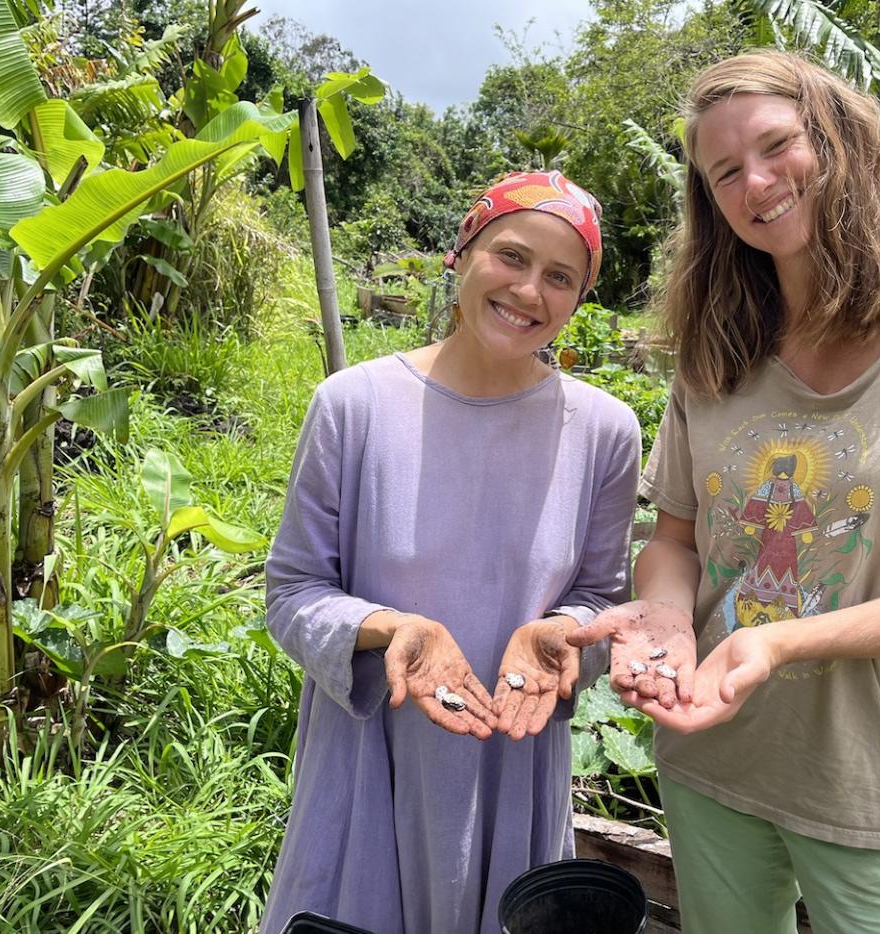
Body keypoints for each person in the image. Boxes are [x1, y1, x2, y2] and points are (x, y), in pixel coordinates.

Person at [568, 51, 880, 933]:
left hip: (867, 783)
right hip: (708, 753)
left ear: (837, 140)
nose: (755, 182)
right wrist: (665, 621)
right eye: (725, 171)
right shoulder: (717, 349)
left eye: (776, 145)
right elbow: (676, 541)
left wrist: (781, 644)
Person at [262, 170, 641, 934]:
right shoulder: (354, 404)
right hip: (372, 761)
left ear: (579, 298)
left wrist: (560, 634)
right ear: (461, 254)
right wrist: (391, 628)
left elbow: (602, 595)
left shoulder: (604, 430)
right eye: (511, 256)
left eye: (560, 277)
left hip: (515, 760)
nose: (530, 291)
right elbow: (293, 591)